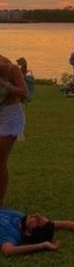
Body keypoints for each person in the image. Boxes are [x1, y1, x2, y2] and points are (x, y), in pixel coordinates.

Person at [0, 208, 74, 256]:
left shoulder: (11, 234)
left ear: (29, 232)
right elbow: (61, 224)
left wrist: (43, 245)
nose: (36, 214)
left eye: (37, 220)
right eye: (40, 217)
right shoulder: (22, 218)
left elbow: (8, 250)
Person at [0, 56, 28, 206]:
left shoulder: (11, 69)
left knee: (0, 160)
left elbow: (24, 93)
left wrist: (4, 84)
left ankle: (0, 202)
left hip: (9, 115)